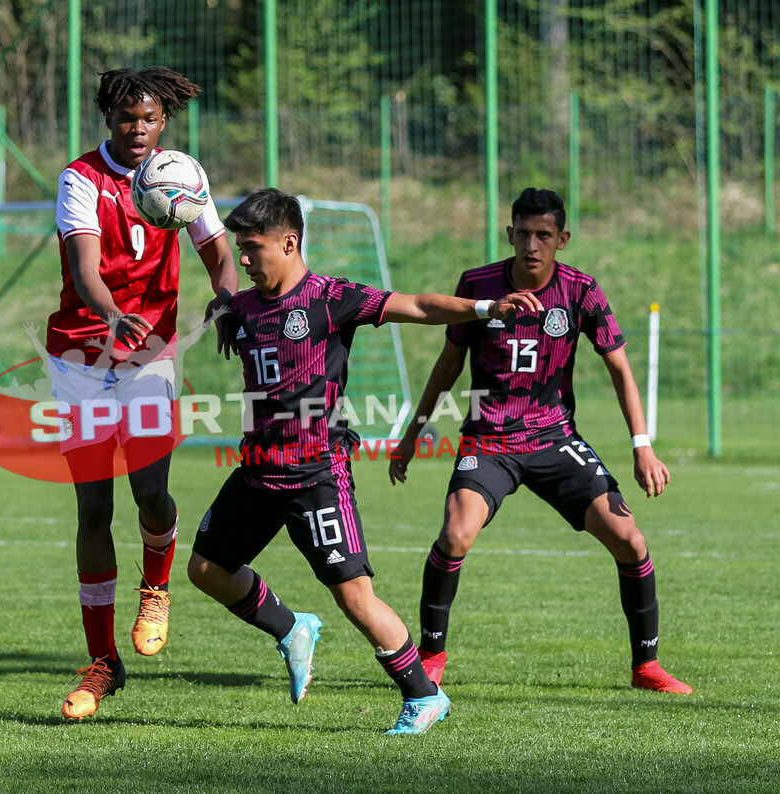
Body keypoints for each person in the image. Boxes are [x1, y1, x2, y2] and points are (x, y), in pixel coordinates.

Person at [186, 188, 541, 734]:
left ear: (290, 241)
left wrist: (487, 307)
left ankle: (424, 696)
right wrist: (222, 308)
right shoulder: (244, 307)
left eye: (254, 248)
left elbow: (418, 305)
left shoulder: (331, 298)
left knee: (355, 597)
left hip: (316, 475)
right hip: (257, 472)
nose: (247, 260)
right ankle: (289, 627)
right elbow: (228, 300)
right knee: (206, 569)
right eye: (241, 249)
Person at [388, 187, 693, 696]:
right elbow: (448, 365)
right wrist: (412, 433)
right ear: (510, 234)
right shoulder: (478, 285)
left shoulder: (580, 291)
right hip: (488, 440)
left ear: (562, 239)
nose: (532, 245)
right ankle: (432, 655)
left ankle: (647, 667)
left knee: (630, 541)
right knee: (456, 534)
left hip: (554, 438)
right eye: (523, 234)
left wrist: (642, 444)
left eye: (544, 235)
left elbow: (619, 367)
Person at [50, 67, 238, 720]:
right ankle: (101, 663)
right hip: (80, 354)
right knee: (93, 508)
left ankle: (155, 586)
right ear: (109, 118)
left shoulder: (181, 174)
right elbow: (81, 264)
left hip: (151, 358)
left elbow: (216, 247)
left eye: (150, 119)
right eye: (127, 118)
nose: (138, 129)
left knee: (151, 493)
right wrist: (109, 314)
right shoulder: (79, 178)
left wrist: (227, 296)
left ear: (165, 124)